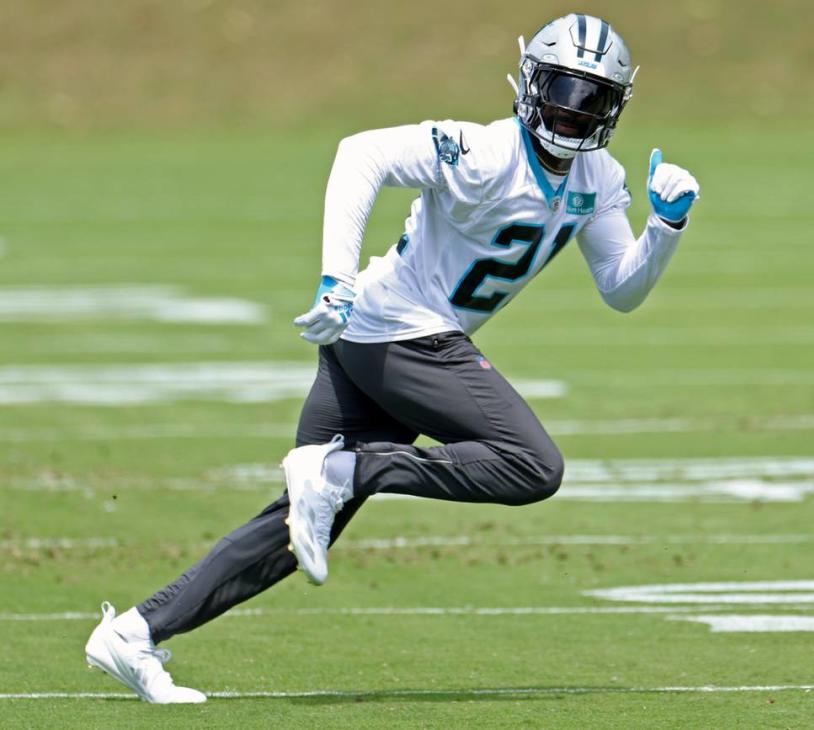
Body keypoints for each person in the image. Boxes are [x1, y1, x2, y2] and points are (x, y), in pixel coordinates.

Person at [84, 13, 700, 703]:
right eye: (562, 90)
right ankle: (347, 470)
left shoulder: (600, 176)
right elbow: (360, 155)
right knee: (532, 464)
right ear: (529, 83)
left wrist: (667, 227)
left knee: (301, 525)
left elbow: (621, 288)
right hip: (399, 331)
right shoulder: (485, 151)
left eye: (592, 100)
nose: (572, 111)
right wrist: (334, 278)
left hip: (381, 341)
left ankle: (134, 632)